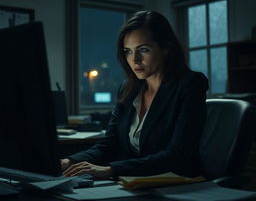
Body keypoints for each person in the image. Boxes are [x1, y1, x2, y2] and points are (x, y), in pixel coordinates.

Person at [62, 10, 208, 179]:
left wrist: (111, 169)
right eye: (128, 51)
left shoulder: (190, 84)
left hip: (177, 183)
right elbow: (108, 144)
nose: (134, 60)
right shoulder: (128, 89)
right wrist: (70, 161)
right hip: (133, 182)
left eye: (143, 50)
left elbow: (178, 154)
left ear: (166, 48)